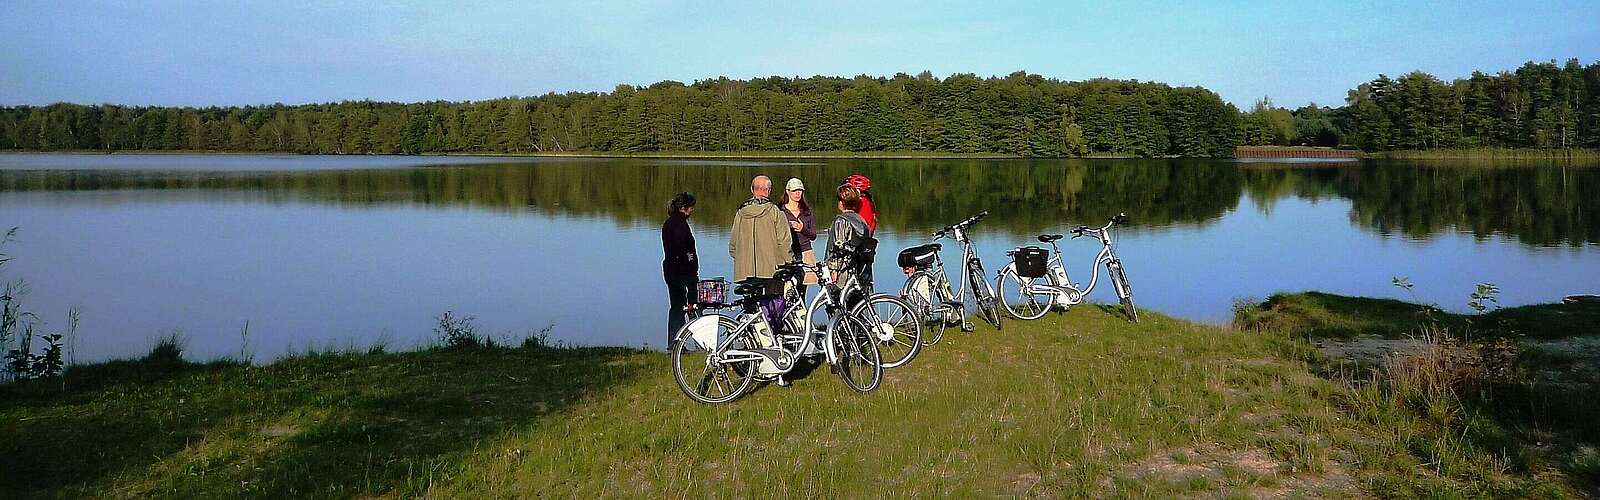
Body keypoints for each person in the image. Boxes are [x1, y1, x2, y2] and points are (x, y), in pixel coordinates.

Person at [729, 175, 793, 281]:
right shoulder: (775, 211)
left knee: (751, 298)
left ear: (752, 189)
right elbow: (784, 242)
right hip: (773, 271)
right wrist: (789, 262)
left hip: (744, 272)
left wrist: (742, 261)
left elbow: (733, 245)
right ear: (769, 190)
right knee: (774, 298)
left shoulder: (740, 212)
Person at [825, 183, 875, 302]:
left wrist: (833, 271)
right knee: (857, 305)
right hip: (860, 270)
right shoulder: (861, 220)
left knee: (836, 303)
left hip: (843, 271)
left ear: (841, 202)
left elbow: (838, 248)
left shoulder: (841, 221)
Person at [662, 192, 698, 345]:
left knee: (676, 307)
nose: (692, 211)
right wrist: (692, 267)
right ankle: (700, 342)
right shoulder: (680, 225)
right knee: (691, 306)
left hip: (670, 270)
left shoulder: (668, 223)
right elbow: (684, 250)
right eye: (691, 208)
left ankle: (673, 342)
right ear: (684, 208)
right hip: (683, 272)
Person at [780, 177, 818, 295]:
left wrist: (802, 229)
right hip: (787, 254)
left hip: (805, 253)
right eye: (794, 190)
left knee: (802, 292)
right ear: (788, 191)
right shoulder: (780, 210)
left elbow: (813, 235)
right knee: (786, 291)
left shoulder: (807, 212)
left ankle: (802, 313)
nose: (797, 193)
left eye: (800, 190)